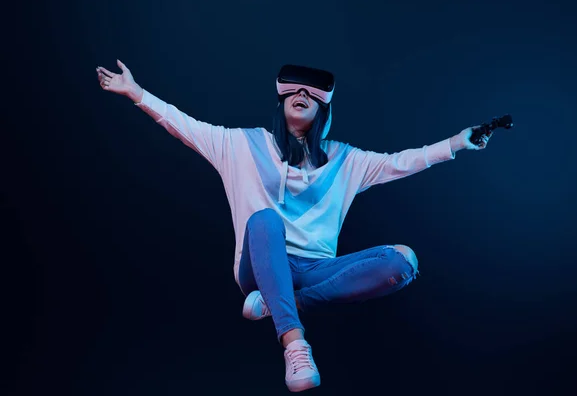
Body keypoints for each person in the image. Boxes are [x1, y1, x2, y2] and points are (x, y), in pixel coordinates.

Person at [96, 59, 492, 393]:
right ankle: (294, 342)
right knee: (265, 219)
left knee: (404, 260)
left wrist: (458, 142)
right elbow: (182, 124)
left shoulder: (345, 160)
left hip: (316, 271)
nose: (301, 95)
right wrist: (136, 93)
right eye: (293, 90)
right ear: (282, 100)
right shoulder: (241, 145)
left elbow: (402, 161)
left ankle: (279, 304)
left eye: (311, 93)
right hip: (260, 262)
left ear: (324, 109)